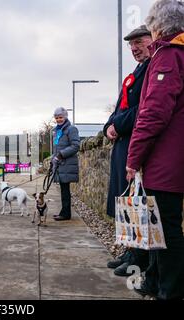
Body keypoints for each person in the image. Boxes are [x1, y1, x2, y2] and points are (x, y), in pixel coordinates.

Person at [126, 0, 184, 300]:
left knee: (165, 230)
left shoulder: (168, 55)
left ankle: (169, 291)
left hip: (166, 162)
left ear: (160, 26)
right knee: (163, 228)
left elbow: (153, 113)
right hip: (174, 159)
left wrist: (133, 157)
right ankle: (155, 280)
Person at [103, 25, 153, 277]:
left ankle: (139, 257)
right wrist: (107, 127)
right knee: (125, 200)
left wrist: (117, 125)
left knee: (135, 201)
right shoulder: (135, 72)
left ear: (152, 40)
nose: (134, 48)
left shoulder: (152, 68)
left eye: (139, 42)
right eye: (131, 45)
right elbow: (119, 107)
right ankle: (131, 251)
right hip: (123, 143)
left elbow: (144, 108)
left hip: (136, 143)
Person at [50, 107, 80, 221]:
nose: (58, 119)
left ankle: (66, 214)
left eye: (60, 117)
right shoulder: (56, 131)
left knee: (65, 189)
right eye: (57, 118)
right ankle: (64, 212)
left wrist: (61, 154)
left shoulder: (71, 129)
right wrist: (53, 158)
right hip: (60, 164)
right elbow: (56, 149)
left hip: (66, 164)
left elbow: (76, 146)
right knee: (63, 189)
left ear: (65, 117)